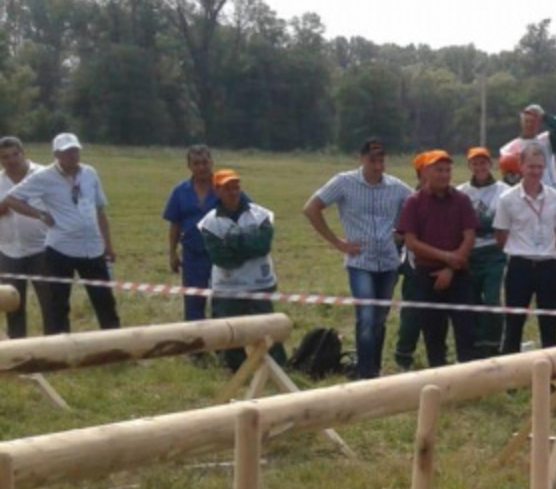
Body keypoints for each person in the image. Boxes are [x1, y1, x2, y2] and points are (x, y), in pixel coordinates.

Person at [304, 139, 411, 379]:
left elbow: (418, 205)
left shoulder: (396, 187)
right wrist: (337, 242)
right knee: (366, 317)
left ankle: (375, 368)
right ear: (362, 159)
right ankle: (365, 373)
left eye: (381, 160)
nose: (377, 166)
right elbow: (311, 208)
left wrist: (403, 232)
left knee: (380, 320)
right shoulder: (344, 182)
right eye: (372, 160)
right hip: (360, 262)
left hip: (389, 262)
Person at [1, 133, 120, 335]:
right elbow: (11, 199)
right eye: (66, 152)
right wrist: (40, 214)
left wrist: (108, 245)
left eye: (75, 150)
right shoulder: (43, 177)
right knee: (46, 304)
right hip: (48, 250)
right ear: (57, 154)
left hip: (83, 249)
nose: (72, 155)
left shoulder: (89, 173)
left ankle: (116, 346)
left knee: (102, 300)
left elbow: (100, 210)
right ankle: (44, 351)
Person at [396, 151, 478, 368]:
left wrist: (451, 267)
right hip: (426, 276)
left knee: (466, 330)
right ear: (425, 172)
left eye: (447, 170)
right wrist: (445, 257)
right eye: (438, 170)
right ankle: (440, 381)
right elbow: (411, 241)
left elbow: (469, 237)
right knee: (433, 333)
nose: (444, 175)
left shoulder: (462, 200)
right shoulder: (414, 202)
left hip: (459, 274)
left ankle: (468, 379)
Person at [197, 169, 284, 370]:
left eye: (236, 186)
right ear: (217, 191)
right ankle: (232, 370)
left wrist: (232, 241)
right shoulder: (209, 223)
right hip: (227, 287)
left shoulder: (262, 214)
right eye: (228, 188)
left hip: (259, 284)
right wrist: (247, 243)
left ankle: (276, 369)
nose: (234, 191)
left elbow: (263, 246)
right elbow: (222, 258)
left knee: (267, 330)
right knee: (228, 332)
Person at [494, 142, 556, 353]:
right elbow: (501, 234)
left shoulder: (555, 198)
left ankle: (551, 379)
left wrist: (546, 251)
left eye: (540, 167)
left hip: (548, 266)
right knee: (514, 325)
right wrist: (521, 249)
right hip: (520, 266)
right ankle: (510, 379)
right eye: (531, 166)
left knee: (549, 326)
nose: (536, 171)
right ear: (521, 166)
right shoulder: (507, 199)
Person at [162, 145, 233, 322]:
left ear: (212, 163)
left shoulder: (225, 188)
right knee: (193, 303)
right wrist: (172, 253)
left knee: (223, 302)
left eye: (204, 162)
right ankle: (197, 346)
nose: (201, 167)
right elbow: (175, 224)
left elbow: (246, 213)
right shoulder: (180, 192)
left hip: (221, 255)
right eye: (196, 163)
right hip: (192, 256)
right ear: (189, 166)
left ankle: (222, 345)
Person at [457, 148, 509, 357]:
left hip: (495, 252)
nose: (480, 167)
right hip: (469, 253)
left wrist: (477, 224)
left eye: (483, 163)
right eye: (475, 163)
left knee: (492, 300)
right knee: (471, 300)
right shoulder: (461, 192)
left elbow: (503, 223)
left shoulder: (504, 191)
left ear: (491, 164)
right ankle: (476, 344)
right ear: (469, 166)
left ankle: (493, 342)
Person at [0, 136, 45, 339]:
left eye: (15, 154)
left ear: (23, 153)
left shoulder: (44, 175)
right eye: (5, 157)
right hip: (9, 251)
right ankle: (18, 349)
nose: (11, 160)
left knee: (51, 302)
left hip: (43, 249)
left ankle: (56, 348)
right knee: (12, 303)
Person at [498, 103, 556, 189]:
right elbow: (508, 178)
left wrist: (544, 116)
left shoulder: (546, 141)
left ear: (539, 124)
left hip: (549, 190)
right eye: (527, 121)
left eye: (533, 121)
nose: (529, 125)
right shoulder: (508, 148)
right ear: (521, 123)